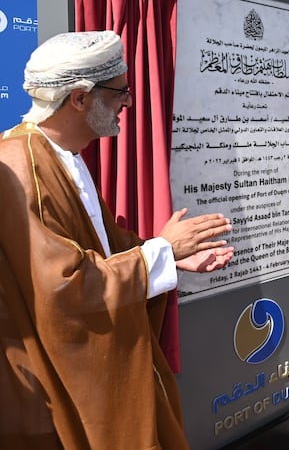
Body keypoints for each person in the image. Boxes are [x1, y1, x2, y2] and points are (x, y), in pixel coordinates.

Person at [0, 31, 234, 448]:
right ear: (79, 98)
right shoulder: (18, 165)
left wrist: (173, 259)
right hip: (55, 381)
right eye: (119, 91)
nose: (127, 102)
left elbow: (103, 245)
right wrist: (162, 252)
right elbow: (63, 286)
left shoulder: (63, 154)